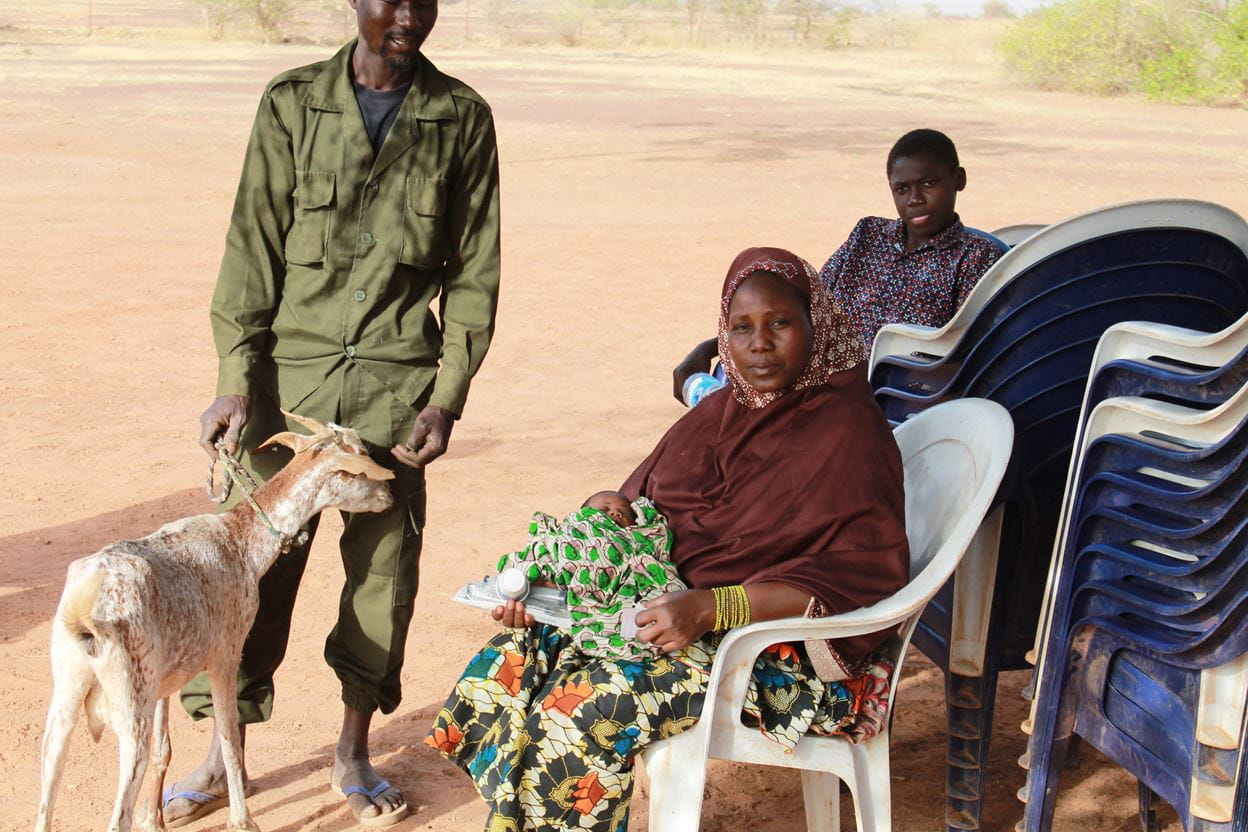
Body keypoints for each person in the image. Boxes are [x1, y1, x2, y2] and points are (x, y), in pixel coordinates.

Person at [428, 248, 909, 831]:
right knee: (506, 667)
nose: (759, 343)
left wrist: (712, 606)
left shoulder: (847, 432)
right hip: (664, 613)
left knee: (581, 710)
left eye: (779, 323)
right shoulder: (719, 414)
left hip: (773, 658)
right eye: (741, 328)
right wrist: (573, 563)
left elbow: (855, 578)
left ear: (817, 324)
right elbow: (644, 513)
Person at [166, 0, 501, 826]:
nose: (409, 16)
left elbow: (475, 273)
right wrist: (236, 379)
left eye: (425, 1)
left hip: (393, 390)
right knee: (249, 571)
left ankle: (353, 748)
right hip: (290, 389)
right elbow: (251, 249)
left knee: (382, 575)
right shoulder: (291, 105)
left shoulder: (460, 119)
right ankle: (224, 752)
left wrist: (445, 397)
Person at [671, 129, 1001, 401]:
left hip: (887, 399)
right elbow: (803, 307)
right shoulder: (868, 235)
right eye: (902, 189)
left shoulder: (975, 257)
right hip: (807, 374)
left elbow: (968, 357)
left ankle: (708, 400)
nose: (914, 199)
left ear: (958, 179)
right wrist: (711, 345)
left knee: (731, 411)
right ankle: (713, 401)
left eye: (928, 183)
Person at [497, 491, 684, 660]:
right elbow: (539, 556)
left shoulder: (641, 539)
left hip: (625, 598)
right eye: (604, 509)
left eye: (625, 513)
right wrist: (520, 582)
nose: (616, 513)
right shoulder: (573, 536)